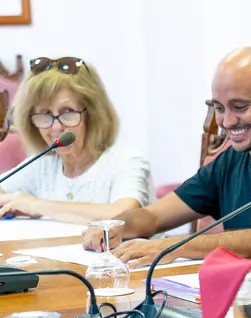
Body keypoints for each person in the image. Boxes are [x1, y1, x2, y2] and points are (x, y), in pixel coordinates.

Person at [83, 47, 251, 266]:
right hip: (237, 294)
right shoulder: (231, 159)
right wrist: (114, 227)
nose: (226, 122)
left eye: (240, 107)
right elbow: (153, 217)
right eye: (219, 108)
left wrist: (170, 247)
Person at [0, 56, 152, 223]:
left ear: (92, 114)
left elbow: (125, 215)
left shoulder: (127, 162)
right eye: (45, 113)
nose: (56, 127)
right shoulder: (42, 164)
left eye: (67, 112)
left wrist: (37, 205)